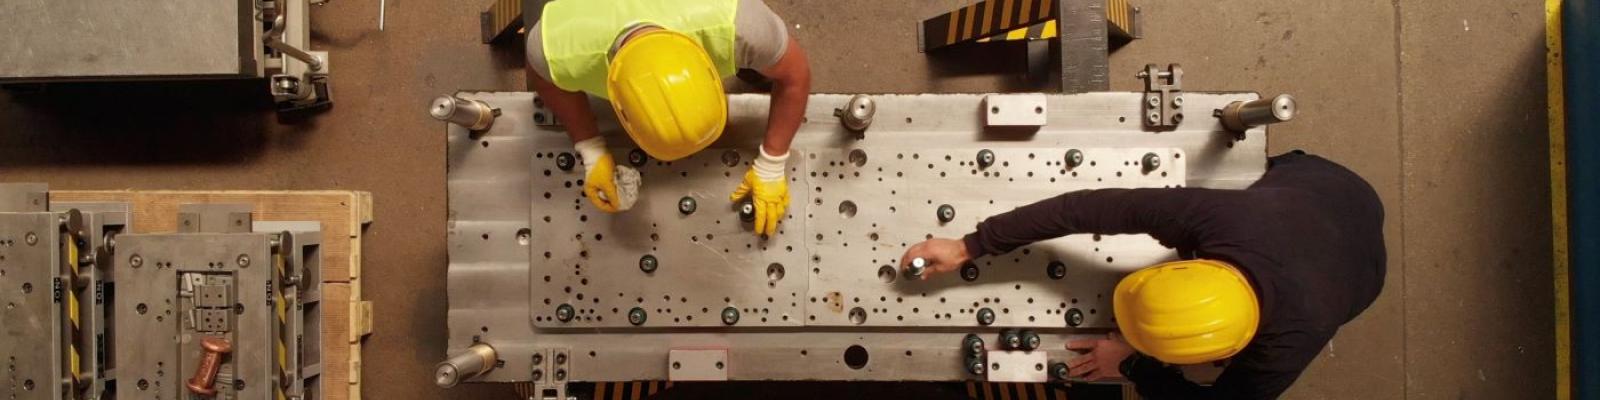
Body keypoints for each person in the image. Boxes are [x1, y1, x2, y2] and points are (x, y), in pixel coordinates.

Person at [900, 152, 1386, 399]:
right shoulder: (1217, 216)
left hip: (1363, 274)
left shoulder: (1283, 350)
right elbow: (1083, 209)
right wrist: (971, 245)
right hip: (1335, 185)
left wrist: (1132, 364)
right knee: (1282, 167)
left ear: (1234, 349)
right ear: (1193, 265)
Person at [525, 0, 810, 236]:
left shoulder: (741, 25)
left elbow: (795, 77)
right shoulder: (554, 48)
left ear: (710, 70)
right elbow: (549, 84)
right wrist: (590, 148)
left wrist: (772, 162)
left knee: (766, 59)